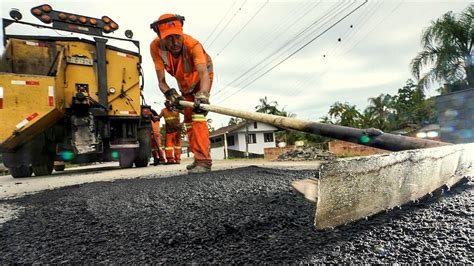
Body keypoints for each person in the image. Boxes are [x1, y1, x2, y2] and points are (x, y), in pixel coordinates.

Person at [150, 13, 213, 174]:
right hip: (184, 82)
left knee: (198, 115)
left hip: (201, 80)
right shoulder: (155, 47)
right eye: (169, 38)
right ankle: (197, 158)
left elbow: (203, 73)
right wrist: (171, 94)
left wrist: (203, 95)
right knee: (188, 120)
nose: (175, 42)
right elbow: (161, 82)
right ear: (160, 36)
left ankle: (204, 161)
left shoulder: (193, 45)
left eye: (177, 36)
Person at [159, 100, 183, 164]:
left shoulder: (177, 109)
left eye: (170, 105)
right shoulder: (163, 111)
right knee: (168, 147)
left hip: (177, 131)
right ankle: (170, 160)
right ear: (165, 105)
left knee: (177, 146)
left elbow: (187, 114)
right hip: (169, 132)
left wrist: (182, 123)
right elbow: (158, 118)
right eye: (167, 105)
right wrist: (151, 115)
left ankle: (178, 159)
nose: (169, 106)